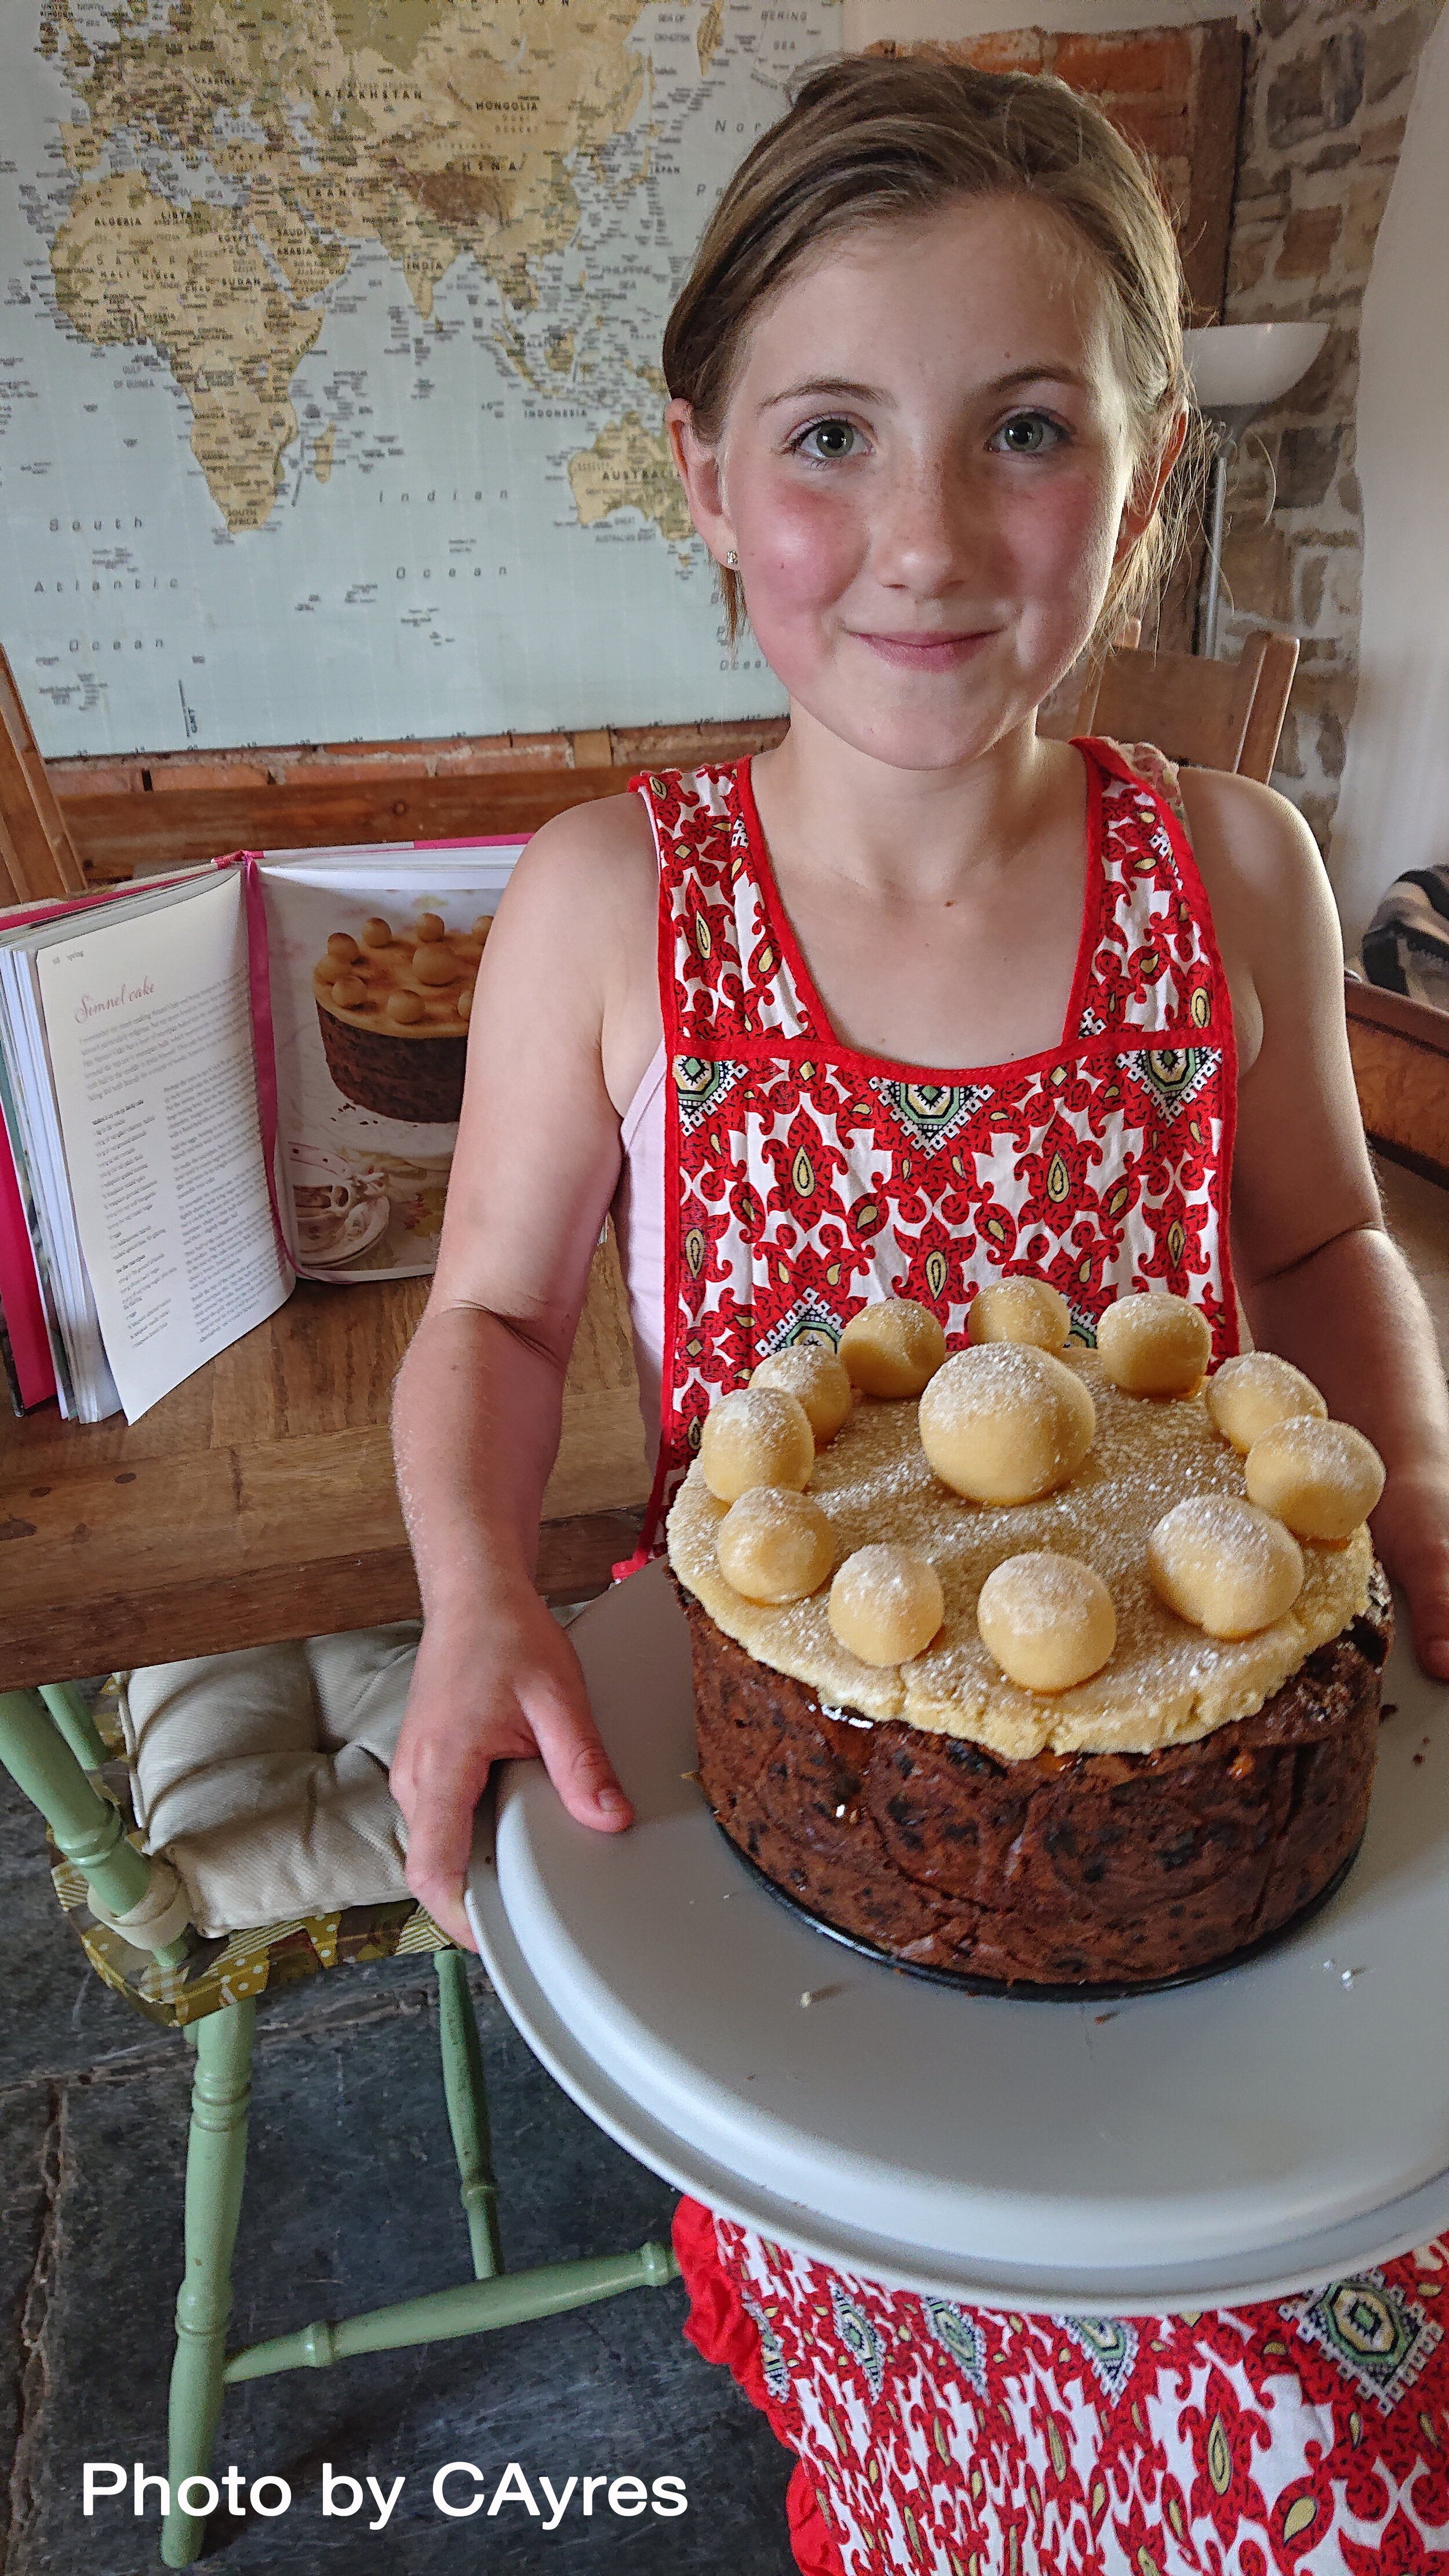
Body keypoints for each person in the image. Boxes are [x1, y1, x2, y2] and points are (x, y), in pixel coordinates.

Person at [391, 53, 1449, 2575]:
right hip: (815, 1882)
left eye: (1026, 431)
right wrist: (466, 1594)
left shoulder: (1243, 868)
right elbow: (492, 1323)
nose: (928, 539)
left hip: (1229, 1864)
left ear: (1156, 463)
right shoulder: (604, 902)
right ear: (699, 468)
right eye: (832, 435)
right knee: (944, 2487)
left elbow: (1316, 1250)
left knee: (1319, 2468)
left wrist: (1411, 1486)